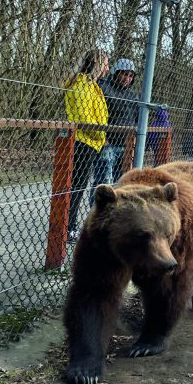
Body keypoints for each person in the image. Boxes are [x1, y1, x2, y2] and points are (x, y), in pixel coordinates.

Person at [64, 48, 109, 242]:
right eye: (105, 64)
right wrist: (101, 133)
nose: (107, 68)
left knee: (78, 187)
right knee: (75, 187)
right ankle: (68, 227)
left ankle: (69, 225)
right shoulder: (82, 85)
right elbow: (85, 118)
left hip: (90, 143)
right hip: (82, 141)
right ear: (97, 64)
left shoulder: (92, 86)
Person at [89, 58, 138, 206]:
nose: (127, 78)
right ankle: (96, 212)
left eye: (130, 75)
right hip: (107, 144)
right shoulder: (103, 88)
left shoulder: (133, 96)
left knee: (121, 184)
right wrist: (102, 138)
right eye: (124, 74)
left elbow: (136, 119)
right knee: (104, 183)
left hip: (125, 146)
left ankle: (114, 215)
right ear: (116, 72)